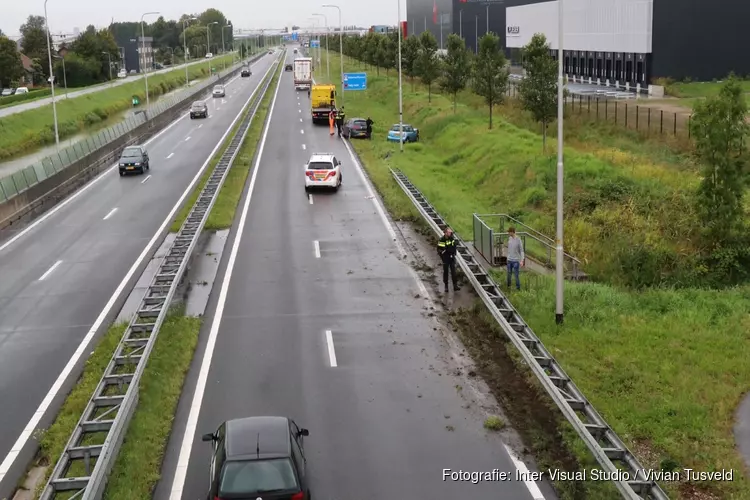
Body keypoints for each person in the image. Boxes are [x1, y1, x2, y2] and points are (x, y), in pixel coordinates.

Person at [437, 227, 460, 293]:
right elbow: (439, 250)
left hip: (451, 257)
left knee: (454, 272)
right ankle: (446, 286)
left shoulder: (451, 238)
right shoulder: (442, 240)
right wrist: (443, 258)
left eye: (451, 232)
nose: (451, 233)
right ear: (446, 233)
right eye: (449, 232)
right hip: (445, 258)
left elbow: (454, 246)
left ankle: (455, 285)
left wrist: (454, 254)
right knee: (446, 272)